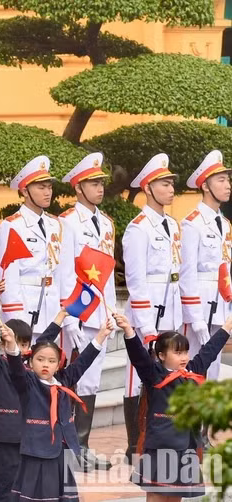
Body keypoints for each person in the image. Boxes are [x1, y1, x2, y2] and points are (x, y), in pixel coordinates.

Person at [116, 311, 232, 501]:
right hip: (161, 447)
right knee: (156, 496)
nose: (184, 357)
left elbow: (209, 351)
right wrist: (128, 330)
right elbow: (138, 356)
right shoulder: (154, 375)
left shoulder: (193, 372)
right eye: (177, 353)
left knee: (176, 497)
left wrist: (227, 327)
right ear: (161, 355)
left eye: (185, 352)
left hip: (186, 447)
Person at [0, 312, 112, 501]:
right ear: (31, 361)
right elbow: (16, 368)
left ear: (58, 364)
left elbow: (83, 362)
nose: (46, 364)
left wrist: (101, 335)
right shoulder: (27, 383)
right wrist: (12, 345)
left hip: (62, 450)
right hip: (37, 451)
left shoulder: (63, 380)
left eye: (52, 361)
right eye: (40, 359)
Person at [0, 298, 63, 502]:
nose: (20, 349)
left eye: (24, 344)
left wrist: (60, 316)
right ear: (3, 343)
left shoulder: (32, 369)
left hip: (30, 436)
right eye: (15, 343)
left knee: (26, 488)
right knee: (1, 485)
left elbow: (44, 342)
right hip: (4, 436)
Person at [122, 153, 182, 462]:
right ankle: (136, 445)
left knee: (169, 374)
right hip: (150, 314)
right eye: (164, 183)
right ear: (148, 187)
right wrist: (145, 327)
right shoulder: (138, 228)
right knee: (139, 379)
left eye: (171, 183)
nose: (171, 188)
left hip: (171, 308)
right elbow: (135, 281)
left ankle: (163, 436)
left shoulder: (172, 224)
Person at [58, 152, 116, 471]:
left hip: (100, 312)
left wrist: (111, 311)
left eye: (101, 183)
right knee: (73, 378)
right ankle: (69, 444)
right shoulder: (67, 222)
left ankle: (83, 443)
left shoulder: (106, 223)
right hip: (79, 312)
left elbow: (107, 271)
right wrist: (69, 317)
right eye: (93, 183)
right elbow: (66, 272)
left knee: (92, 382)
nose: (99, 188)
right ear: (78, 188)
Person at [0, 156, 66, 347]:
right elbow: (7, 277)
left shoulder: (55, 224)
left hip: (50, 309)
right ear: (25, 191)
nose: (47, 192)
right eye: (41, 188)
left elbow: (59, 271)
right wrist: (15, 321)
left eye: (49, 187)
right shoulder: (12, 226)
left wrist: (63, 312)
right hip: (26, 307)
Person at [180, 150, 232, 385]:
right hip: (200, 304)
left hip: (220, 303)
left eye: (228, 179)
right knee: (192, 369)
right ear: (205, 186)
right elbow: (187, 272)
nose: (228, 185)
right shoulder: (192, 223)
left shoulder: (225, 223)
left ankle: (203, 423)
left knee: (212, 373)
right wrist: (195, 316)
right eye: (221, 180)